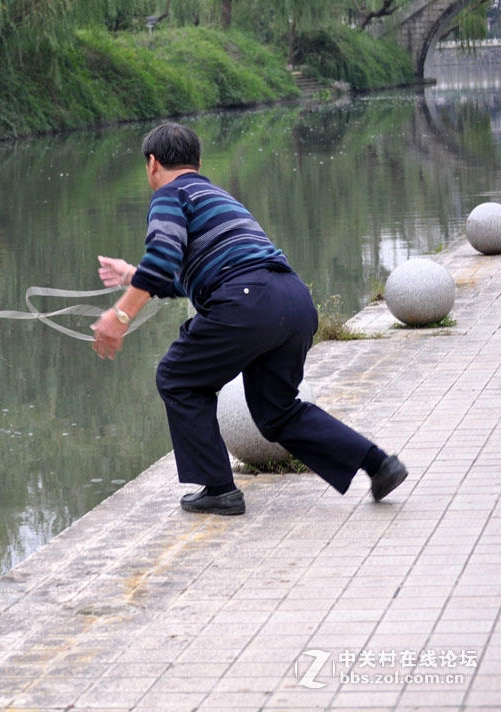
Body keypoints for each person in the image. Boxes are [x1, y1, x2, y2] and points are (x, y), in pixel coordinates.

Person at [90, 122, 407, 516]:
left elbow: (164, 261)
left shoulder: (169, 195)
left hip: (248, 302)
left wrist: (119, 316)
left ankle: (219, 489)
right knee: (278, 412)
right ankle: (379, 464)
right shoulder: (214, 194)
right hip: (293, 301)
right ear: (199, 161)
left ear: (152, 164)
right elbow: (186, 274)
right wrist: (132, 275)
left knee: (178, 376)